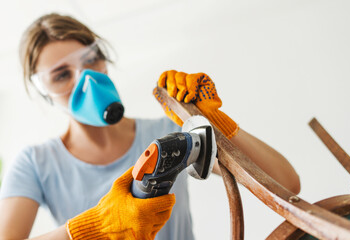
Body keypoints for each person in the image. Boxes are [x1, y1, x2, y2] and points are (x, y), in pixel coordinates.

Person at [0, 13, 300, 240]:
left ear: (105, 60)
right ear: (43, 91)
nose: (86, 79)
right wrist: (93, 227)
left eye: (91, 60)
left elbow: (285, 186)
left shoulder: (171, 132)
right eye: (61, 75)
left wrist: (213, 122)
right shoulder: (35, 164)